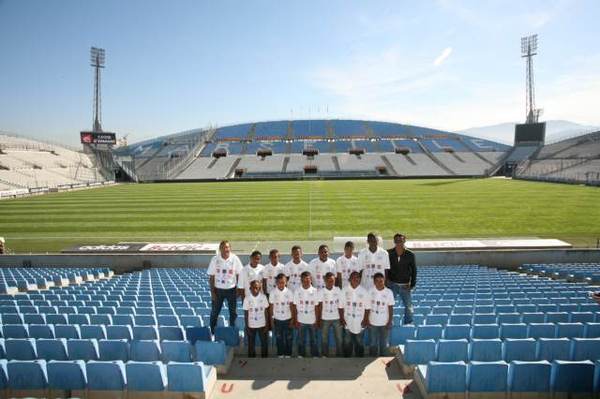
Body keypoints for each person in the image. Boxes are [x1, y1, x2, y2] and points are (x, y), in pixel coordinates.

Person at [207, 240, 244, 335]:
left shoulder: (235, 258)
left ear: (230, 248)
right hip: (218, 290)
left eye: (227, 247)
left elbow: (240, 274)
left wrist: (238, 290)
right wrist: (212, 293)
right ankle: (213, 332)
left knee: (233, 313)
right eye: (223, 247)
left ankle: (232, 331)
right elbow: (211, 277)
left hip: (231, 290)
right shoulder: (215, 259)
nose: (225, 249)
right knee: (214, 312)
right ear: (220, 249)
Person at [387, 233, 416, 325]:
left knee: (408, 306)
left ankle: (408, 323)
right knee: (388, 305)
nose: (399, 242)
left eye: (401, 240)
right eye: (397, 241)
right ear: (394, 241)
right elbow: (385, 268)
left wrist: (412, 285)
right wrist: (386, 281)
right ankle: (388, 322)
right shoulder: (389, 253)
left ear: (404, 241)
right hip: (392, 284)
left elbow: (414, 270)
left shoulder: (410, 254)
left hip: (405, 285)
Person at [292, 271, 322, 357]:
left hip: (312, 320)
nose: (306, 282)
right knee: (301, 340)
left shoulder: (315, 291)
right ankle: (301, 354)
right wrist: (295, 320)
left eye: (308, 280)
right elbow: (294, 306)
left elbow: (317, 307)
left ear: (311, 280)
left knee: (314, 339)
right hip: (301, 320)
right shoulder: (297, 291)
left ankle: (315, 355)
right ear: (301, 281)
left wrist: (317, 320)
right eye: (304, 280)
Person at [342, 271, 370, 357]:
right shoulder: (344, 290)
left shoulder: (364, 291)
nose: (355, 279)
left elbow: (367, 307)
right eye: (353, 277)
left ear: (360, 279)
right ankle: (347, 358)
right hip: (347, 320)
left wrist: (365, 319)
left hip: (360, 320)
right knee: (347, 341)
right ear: (349, 279)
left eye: (357, 277)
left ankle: (359, 358)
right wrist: (342, 319)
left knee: (359, 341)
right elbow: (340, 306)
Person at [369, 272, 395, 356]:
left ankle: (382, 359)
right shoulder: (370, 291)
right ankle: (372, 358)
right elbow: (367, 307)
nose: (379, 283)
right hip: (372, 322)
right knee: (373, 342)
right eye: (377, 281)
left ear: (384, 281)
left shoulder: (389, 292)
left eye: (381, 281)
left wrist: (389, 321)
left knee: (384, 343)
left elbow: (390, 308)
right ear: (374, 282)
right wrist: (367, 320)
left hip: (384, 322)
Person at [319, 272, 344, 357]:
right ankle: (325, 354)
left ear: (334, 281)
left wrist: (341, 318)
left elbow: (341, 305)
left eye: (332, 281)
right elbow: (320, 306)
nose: (330, 282)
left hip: (336, 318)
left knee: (339, 338)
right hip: (325, 318)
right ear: (325, 280)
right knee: (324, 338)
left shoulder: (338, 290)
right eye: (328, 281)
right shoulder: (321, 291)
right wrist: (319, 319)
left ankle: (340, 354)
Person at [269, 273, 294, 357]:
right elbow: (271, 307)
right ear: (276, 283)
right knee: (279, 338)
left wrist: (292, 319)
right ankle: (280, 353)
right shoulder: (272, 293)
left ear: (286, 282)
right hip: (277, 319)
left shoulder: (289, 292)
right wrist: (272, 320)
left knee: (289, 338)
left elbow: (291, 306)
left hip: (288, 319)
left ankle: (288, 354)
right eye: (279, 282)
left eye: (283, 282)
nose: (281, 284)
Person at [243, 280, 270, 358]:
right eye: (253, 288)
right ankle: (252, 359)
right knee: (251, 344)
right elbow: (246, 313)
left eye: (257, 288)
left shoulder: (263, 297)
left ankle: (264, 359)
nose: (255, 290)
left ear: (260, 288)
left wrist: (267, 325)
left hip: (262, 324)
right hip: (251, 325)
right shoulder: (247, 299)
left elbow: (266, 312)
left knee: (264, 343)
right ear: (250, 288)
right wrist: (247, 326)